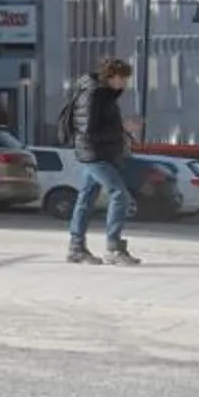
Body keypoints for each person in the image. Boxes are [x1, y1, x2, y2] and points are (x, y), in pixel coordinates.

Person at [62, 56, 140, 265]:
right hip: (94, 154)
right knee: (119, 194)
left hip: (99, 153)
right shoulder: (93, 95)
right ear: (110, 77)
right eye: (121, 79)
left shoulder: (105, 95)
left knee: (86, 199)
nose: (124, 83)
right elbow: (89, 132)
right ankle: (113, 248)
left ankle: (76, 247)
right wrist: (122, 128)